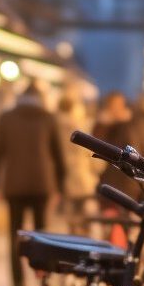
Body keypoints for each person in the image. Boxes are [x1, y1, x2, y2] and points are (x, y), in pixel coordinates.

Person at [0, 82, 65, 286]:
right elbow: (58, 156)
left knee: (16, 235)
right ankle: (42, 282)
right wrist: (61, 186)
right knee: (42, 236)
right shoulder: (48, 118)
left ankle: (18, 285)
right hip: (42, 184)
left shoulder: (6, 118)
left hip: (15, 185)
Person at [57, 96, 98, 235]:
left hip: (65, 177)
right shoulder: (80, 127)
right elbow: (90, 152)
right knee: (85, 216)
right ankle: (84, 242)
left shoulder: (55, 126)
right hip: (83, 177)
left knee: (71, 217)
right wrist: (97, 169)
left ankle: (74, 238)